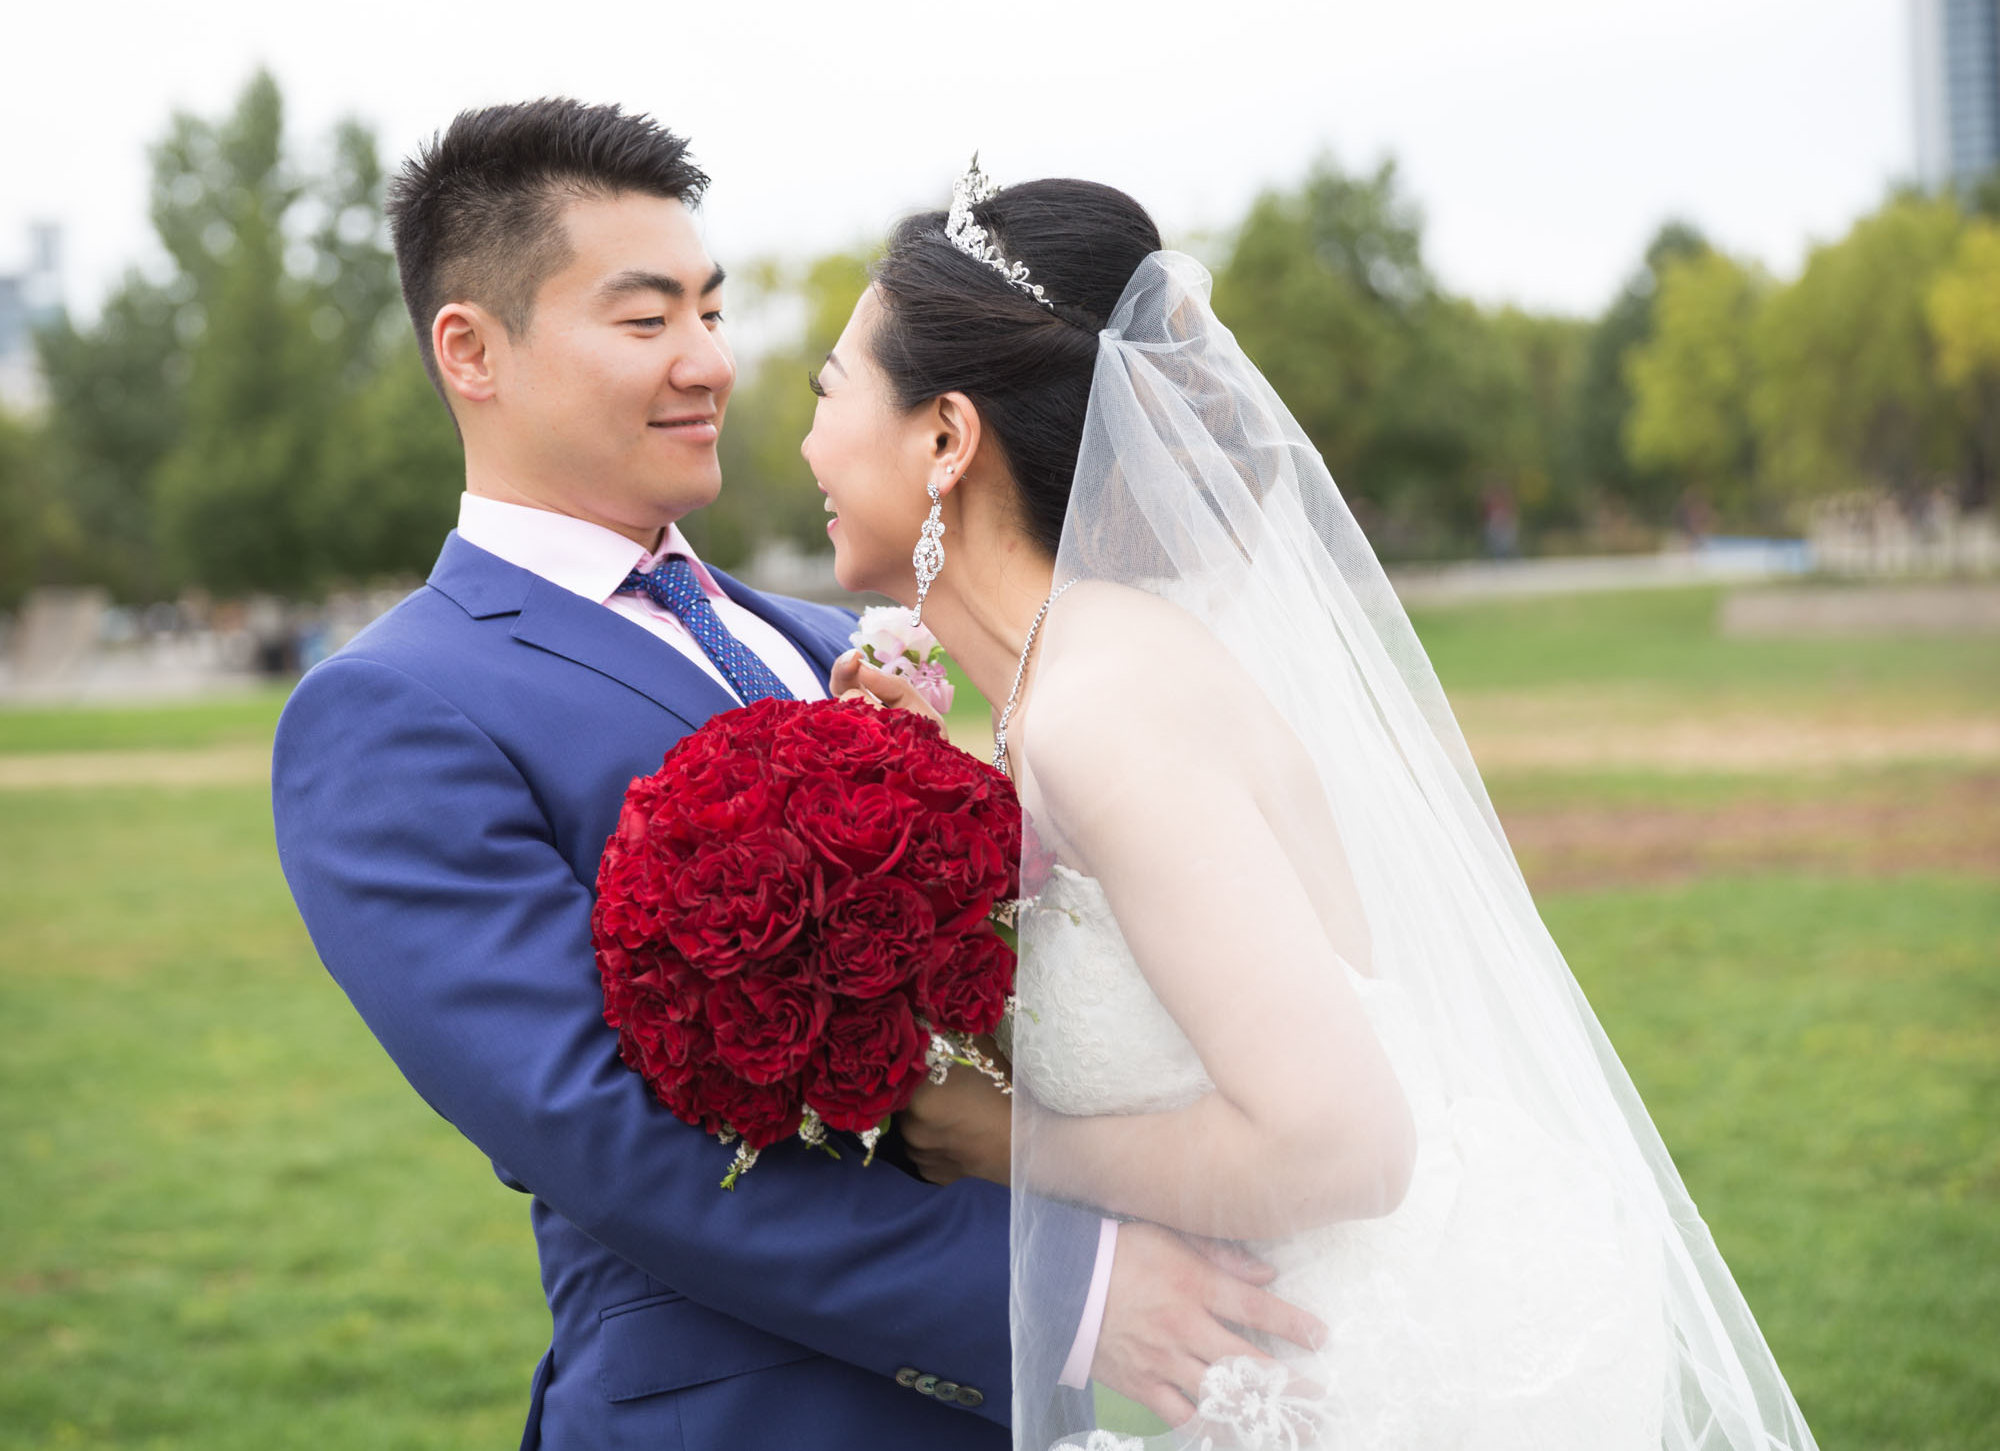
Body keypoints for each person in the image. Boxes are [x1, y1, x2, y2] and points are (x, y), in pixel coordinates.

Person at [271, 101, 1314, 1451]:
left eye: (710, 310)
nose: (708, 360)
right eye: (646, 321)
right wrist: (1073, 1281)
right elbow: (603, 1130)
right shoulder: (394, 711)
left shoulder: (839, 635)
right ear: (472, 349)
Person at [805, 160, 1822, 1450]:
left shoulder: (1102, 706)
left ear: (946, 436)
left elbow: (1345, 1146)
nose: (807, 444)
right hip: (1319, 1341)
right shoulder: (1069, 686)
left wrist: (1008, 1140)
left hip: (1395, 1372)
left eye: (829, 393)